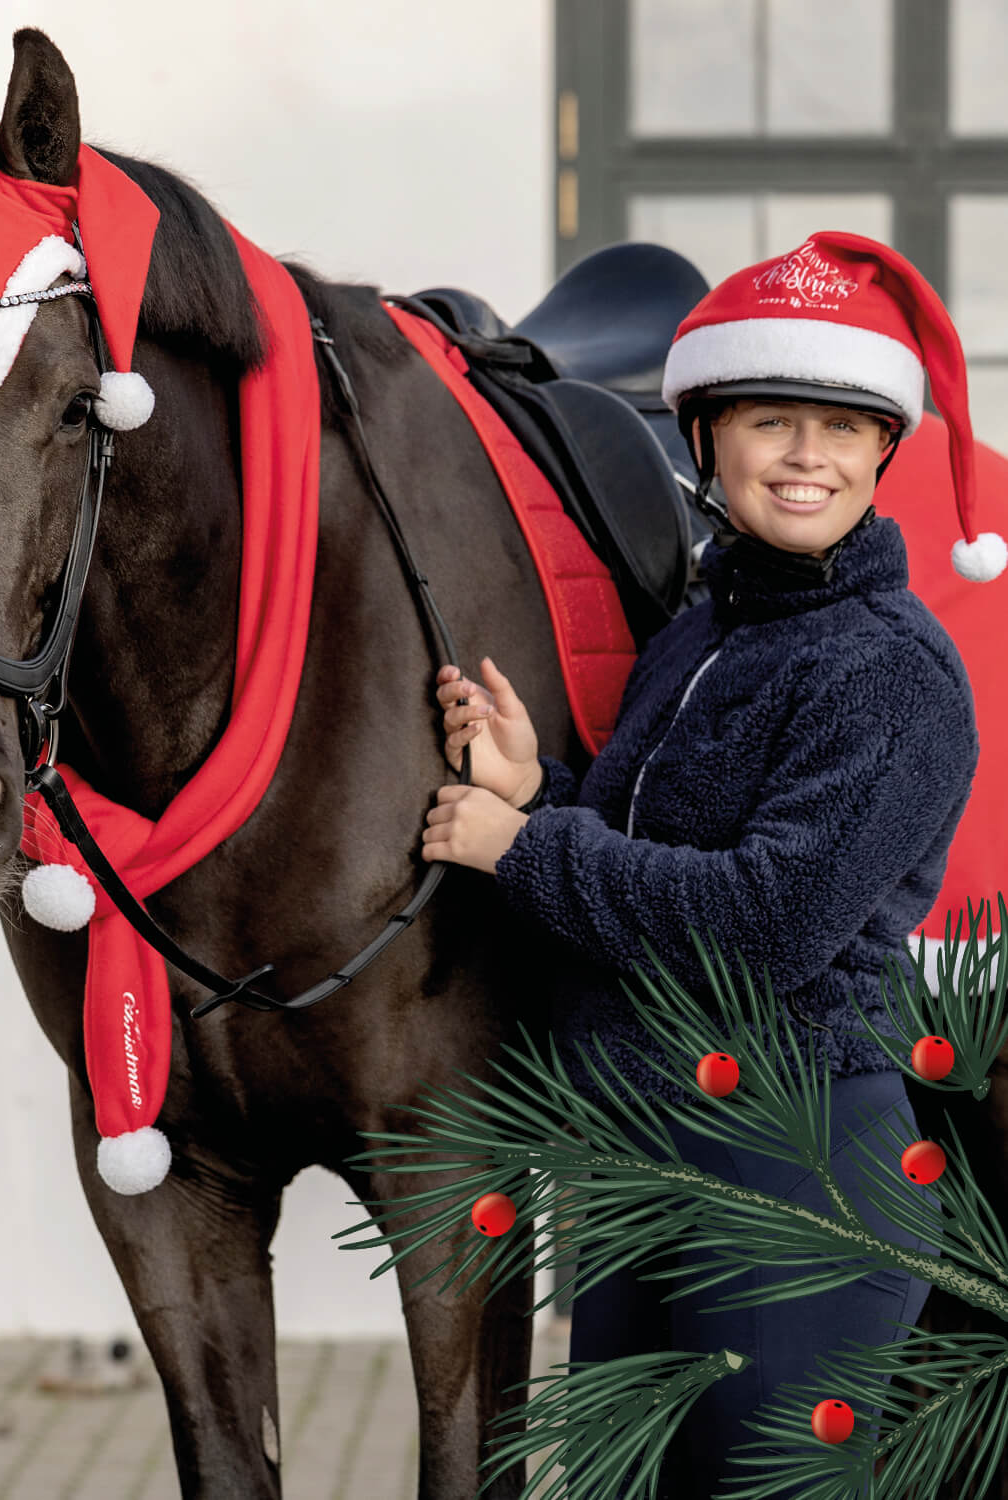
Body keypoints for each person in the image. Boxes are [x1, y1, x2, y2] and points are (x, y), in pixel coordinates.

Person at [420, 232, 1002, 1495]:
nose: (806, 457)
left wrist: (523, 846)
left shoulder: (890, 673)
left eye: (842, 430)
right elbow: (661, 861)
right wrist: (543, 787)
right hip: (647, 1153)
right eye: (770, 422)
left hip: (794, 1172)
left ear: (881, 455)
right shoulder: (700, 635)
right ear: (703, 441)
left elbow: (764, 925)